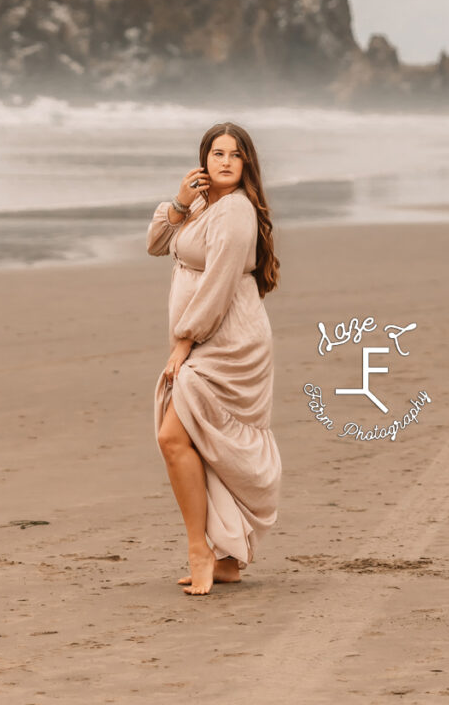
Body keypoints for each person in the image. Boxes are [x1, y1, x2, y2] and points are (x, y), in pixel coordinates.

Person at [147, 122, 282, 595]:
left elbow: (220, 282)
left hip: (229, 343)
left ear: (247, 164)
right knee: (197, 442)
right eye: (217, 152)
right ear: (203, 159)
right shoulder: (205, 205)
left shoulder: (237, 212)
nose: (225, 161)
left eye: (236, 154)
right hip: (206, 336)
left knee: (173, 436)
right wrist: (180, 203)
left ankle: (201, 549)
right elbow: (155, 244)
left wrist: (184, 342)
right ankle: (225, 557)